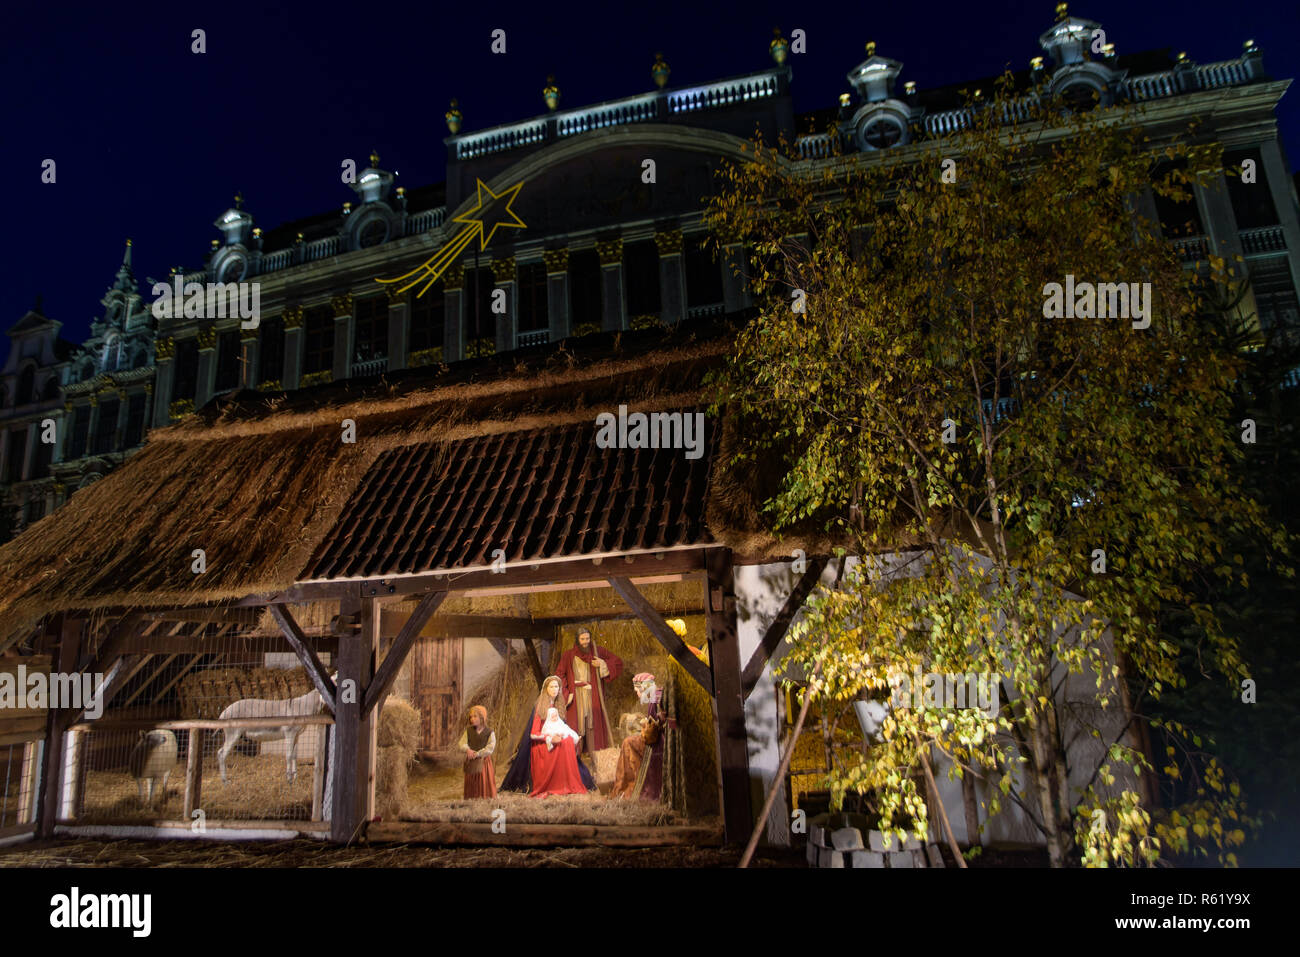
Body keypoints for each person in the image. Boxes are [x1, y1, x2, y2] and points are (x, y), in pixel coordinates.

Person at [498, 675, 596, 797]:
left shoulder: (557, 706)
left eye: (556, 686)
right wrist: (549, 738)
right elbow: (533, 734)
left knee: (568, 741)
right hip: (542, 743)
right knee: (564, 743)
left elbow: (561, 726)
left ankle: (566, 782)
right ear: (546, 689)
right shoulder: (540, 707)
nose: (554, 689)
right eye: (551, 686)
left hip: (555, 738)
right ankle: (557, 784)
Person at [555, 627, 623, 754]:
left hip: (593, 695)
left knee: (593, 726)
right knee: (575, 726)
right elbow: (559, 674)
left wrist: (602, 663)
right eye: (582, 639)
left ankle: (595, 758)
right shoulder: (568, 655)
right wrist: (566, 693)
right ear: (577, 640)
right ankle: (574, 762)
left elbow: (618, 663)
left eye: (587, 638)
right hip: (576, 697)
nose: (585, 641)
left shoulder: (597, 651)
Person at [611, 673, 673, 801]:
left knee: (627, 742)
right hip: (663, 737)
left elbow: (650, 734)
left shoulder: (653, 700)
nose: (638, 695)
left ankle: (626, 785)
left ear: (644, 688)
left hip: (658, 743)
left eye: (637, 691)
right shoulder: (659, 693)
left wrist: (645, 727)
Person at [457, 705, 497, 799]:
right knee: (472, 779)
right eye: (471, 717)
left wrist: (478, 754)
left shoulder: (489, 732)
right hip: (472, 761)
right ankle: (471, 797)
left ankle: (484, 796)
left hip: (483, 762)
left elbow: (490, 747)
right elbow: (462, 743)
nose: (472, 719)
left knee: (483, 779)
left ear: (482, 718)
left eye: (475, 716)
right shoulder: (469, 731)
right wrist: (468, 750)